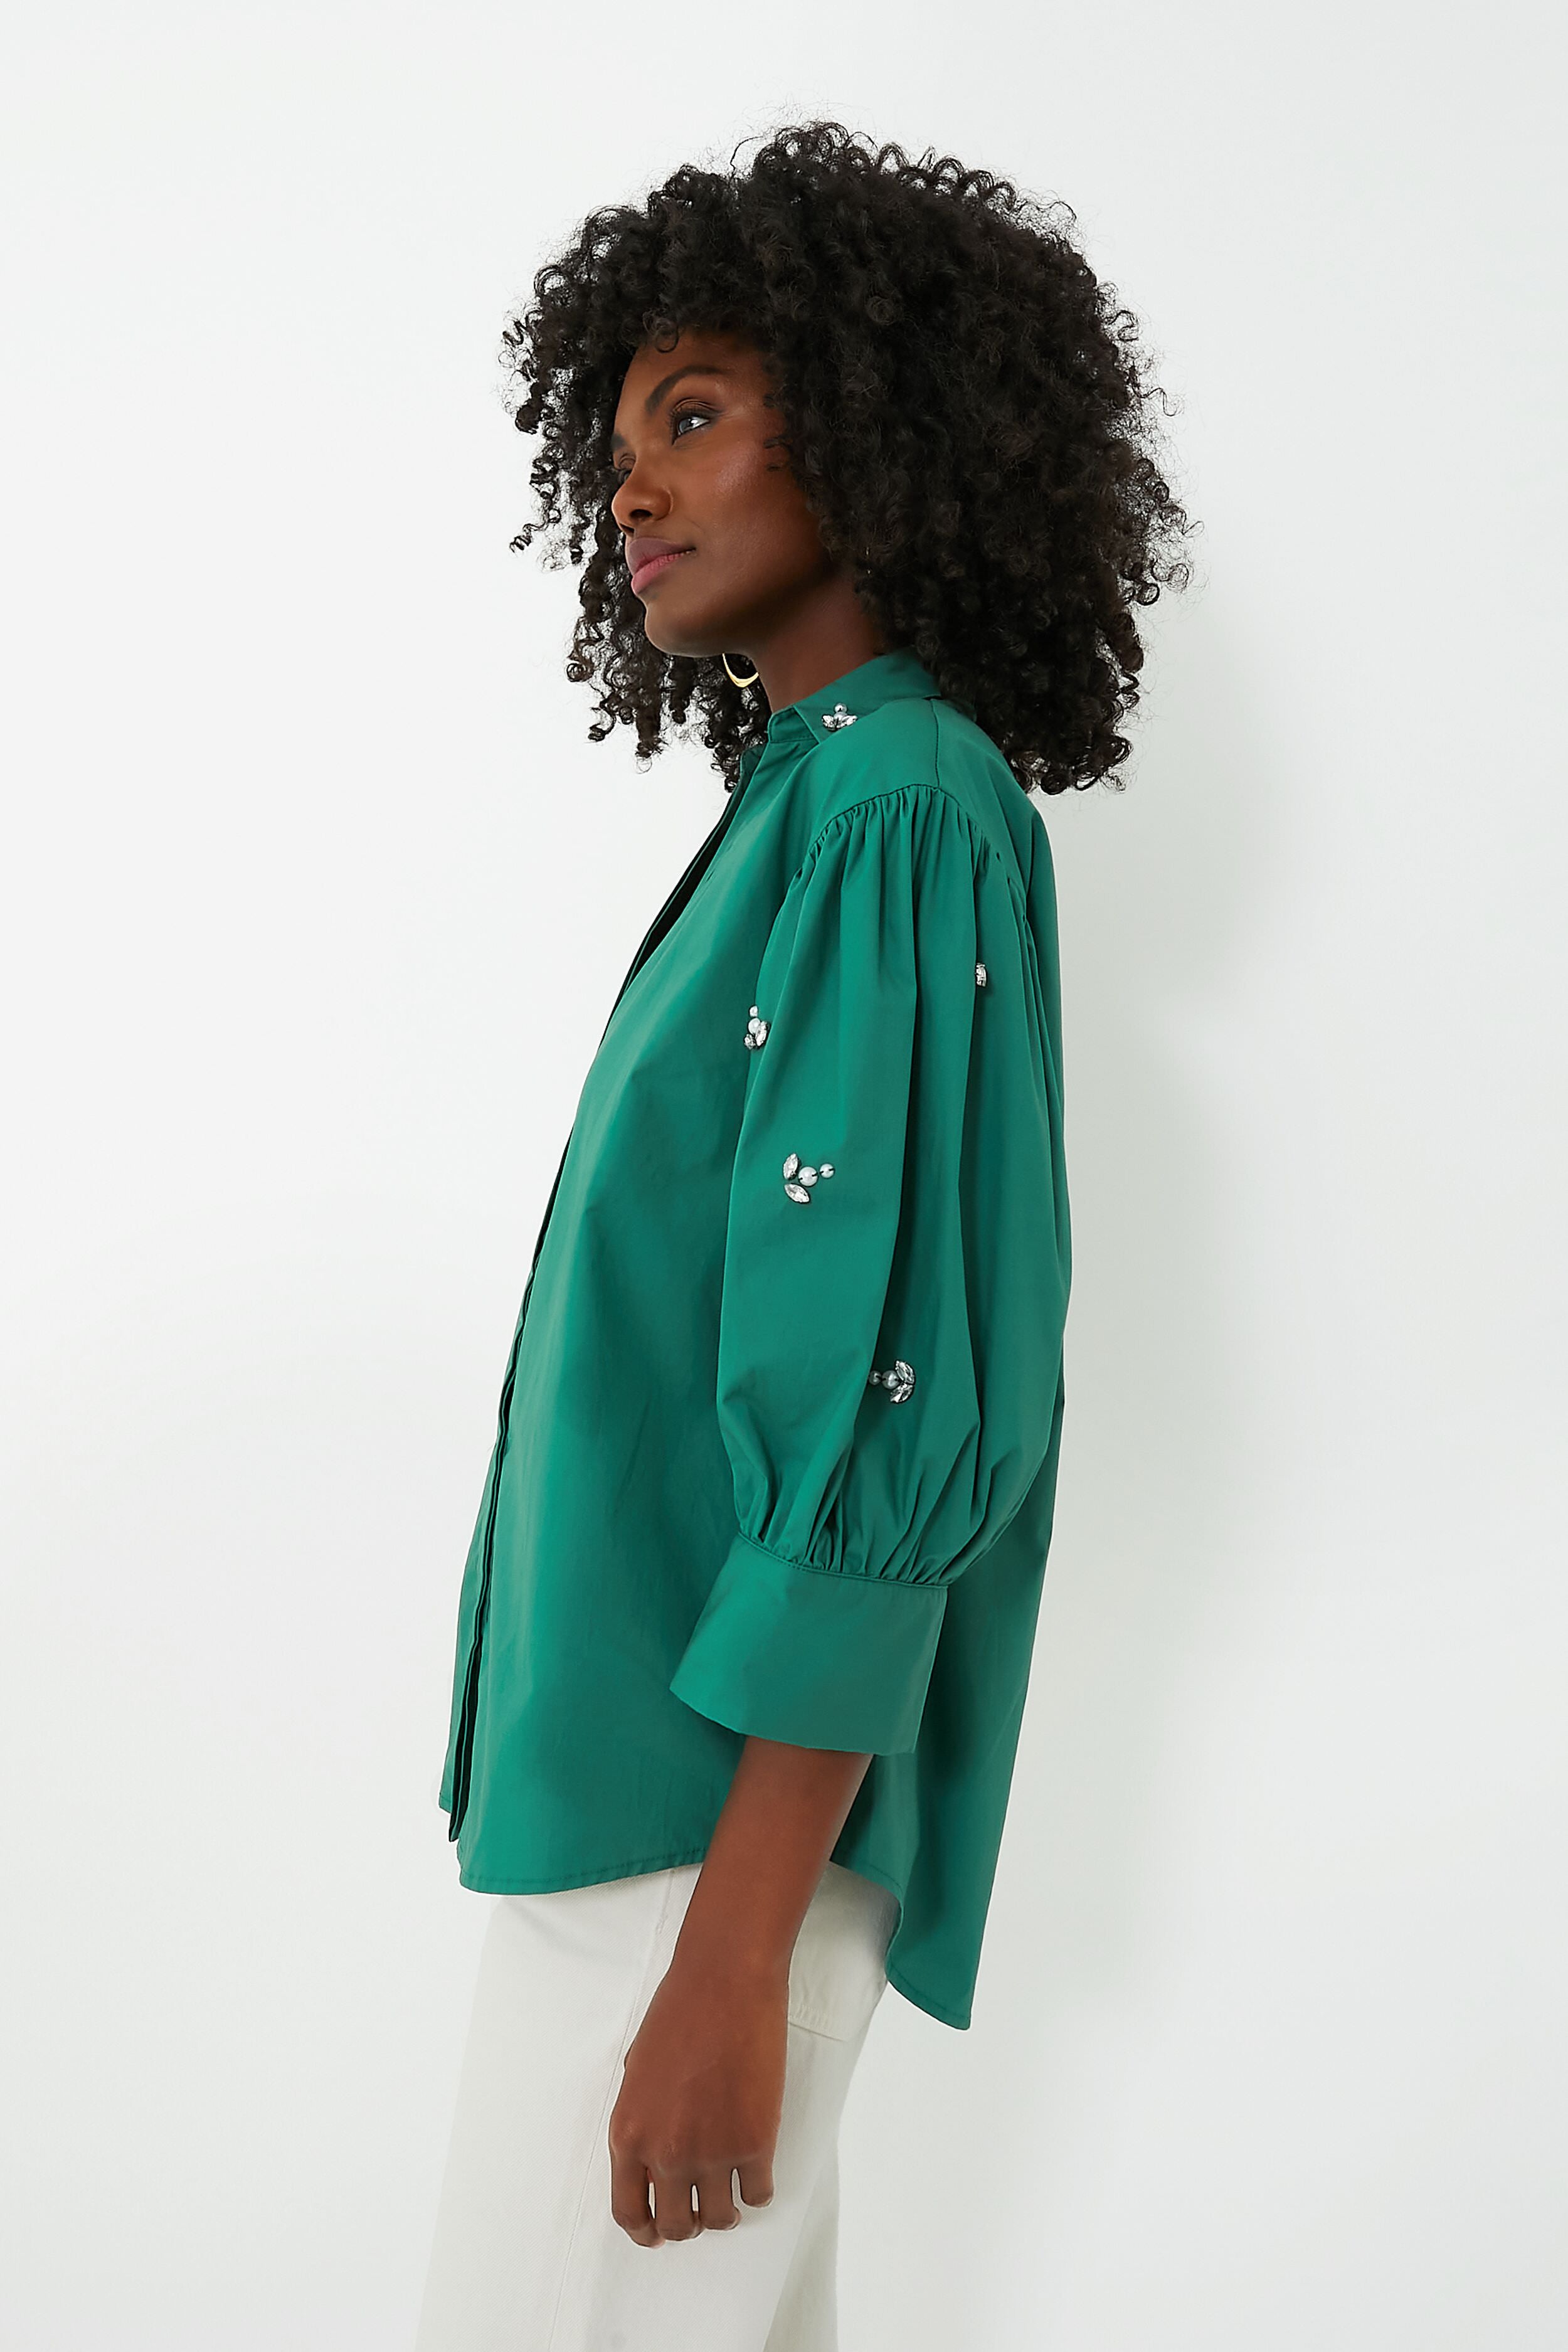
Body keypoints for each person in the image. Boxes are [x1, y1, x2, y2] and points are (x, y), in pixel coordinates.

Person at [415, 120, 1191, 2351]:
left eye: (692, 417)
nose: (631, 490)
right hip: (649, 1827)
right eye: (614, 447)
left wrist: (731, 1954)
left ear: (870, 428)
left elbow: (891, 1388)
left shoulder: (895, 815)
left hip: (706, 1848)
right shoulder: (818, 803)